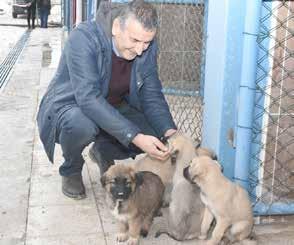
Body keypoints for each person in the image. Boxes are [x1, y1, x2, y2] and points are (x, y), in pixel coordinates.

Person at [37, 0, 177, 200]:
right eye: (135, 40)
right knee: (83, 125)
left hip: (116, 105)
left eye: (146, 43)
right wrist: (134, 136)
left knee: (157, 133)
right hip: (73, 106)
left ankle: (103, 150)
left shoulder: (146, 46)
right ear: (115, 27)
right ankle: (71, 168)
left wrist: (170, 133)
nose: (140, 50)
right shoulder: (83, 38)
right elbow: (88, 98)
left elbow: (151, 93)